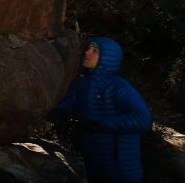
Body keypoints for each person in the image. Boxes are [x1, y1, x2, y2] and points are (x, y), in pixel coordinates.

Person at [48, 37, 153, 183]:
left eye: (95, 51)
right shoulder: (82, 83)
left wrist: (100, 124)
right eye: (89, 48)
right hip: (92, 166)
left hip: (121, 171)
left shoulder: (119, 87)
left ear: (107, 58)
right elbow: (70, 102)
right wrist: (60, 112)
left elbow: (143, 119)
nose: (87, 53)